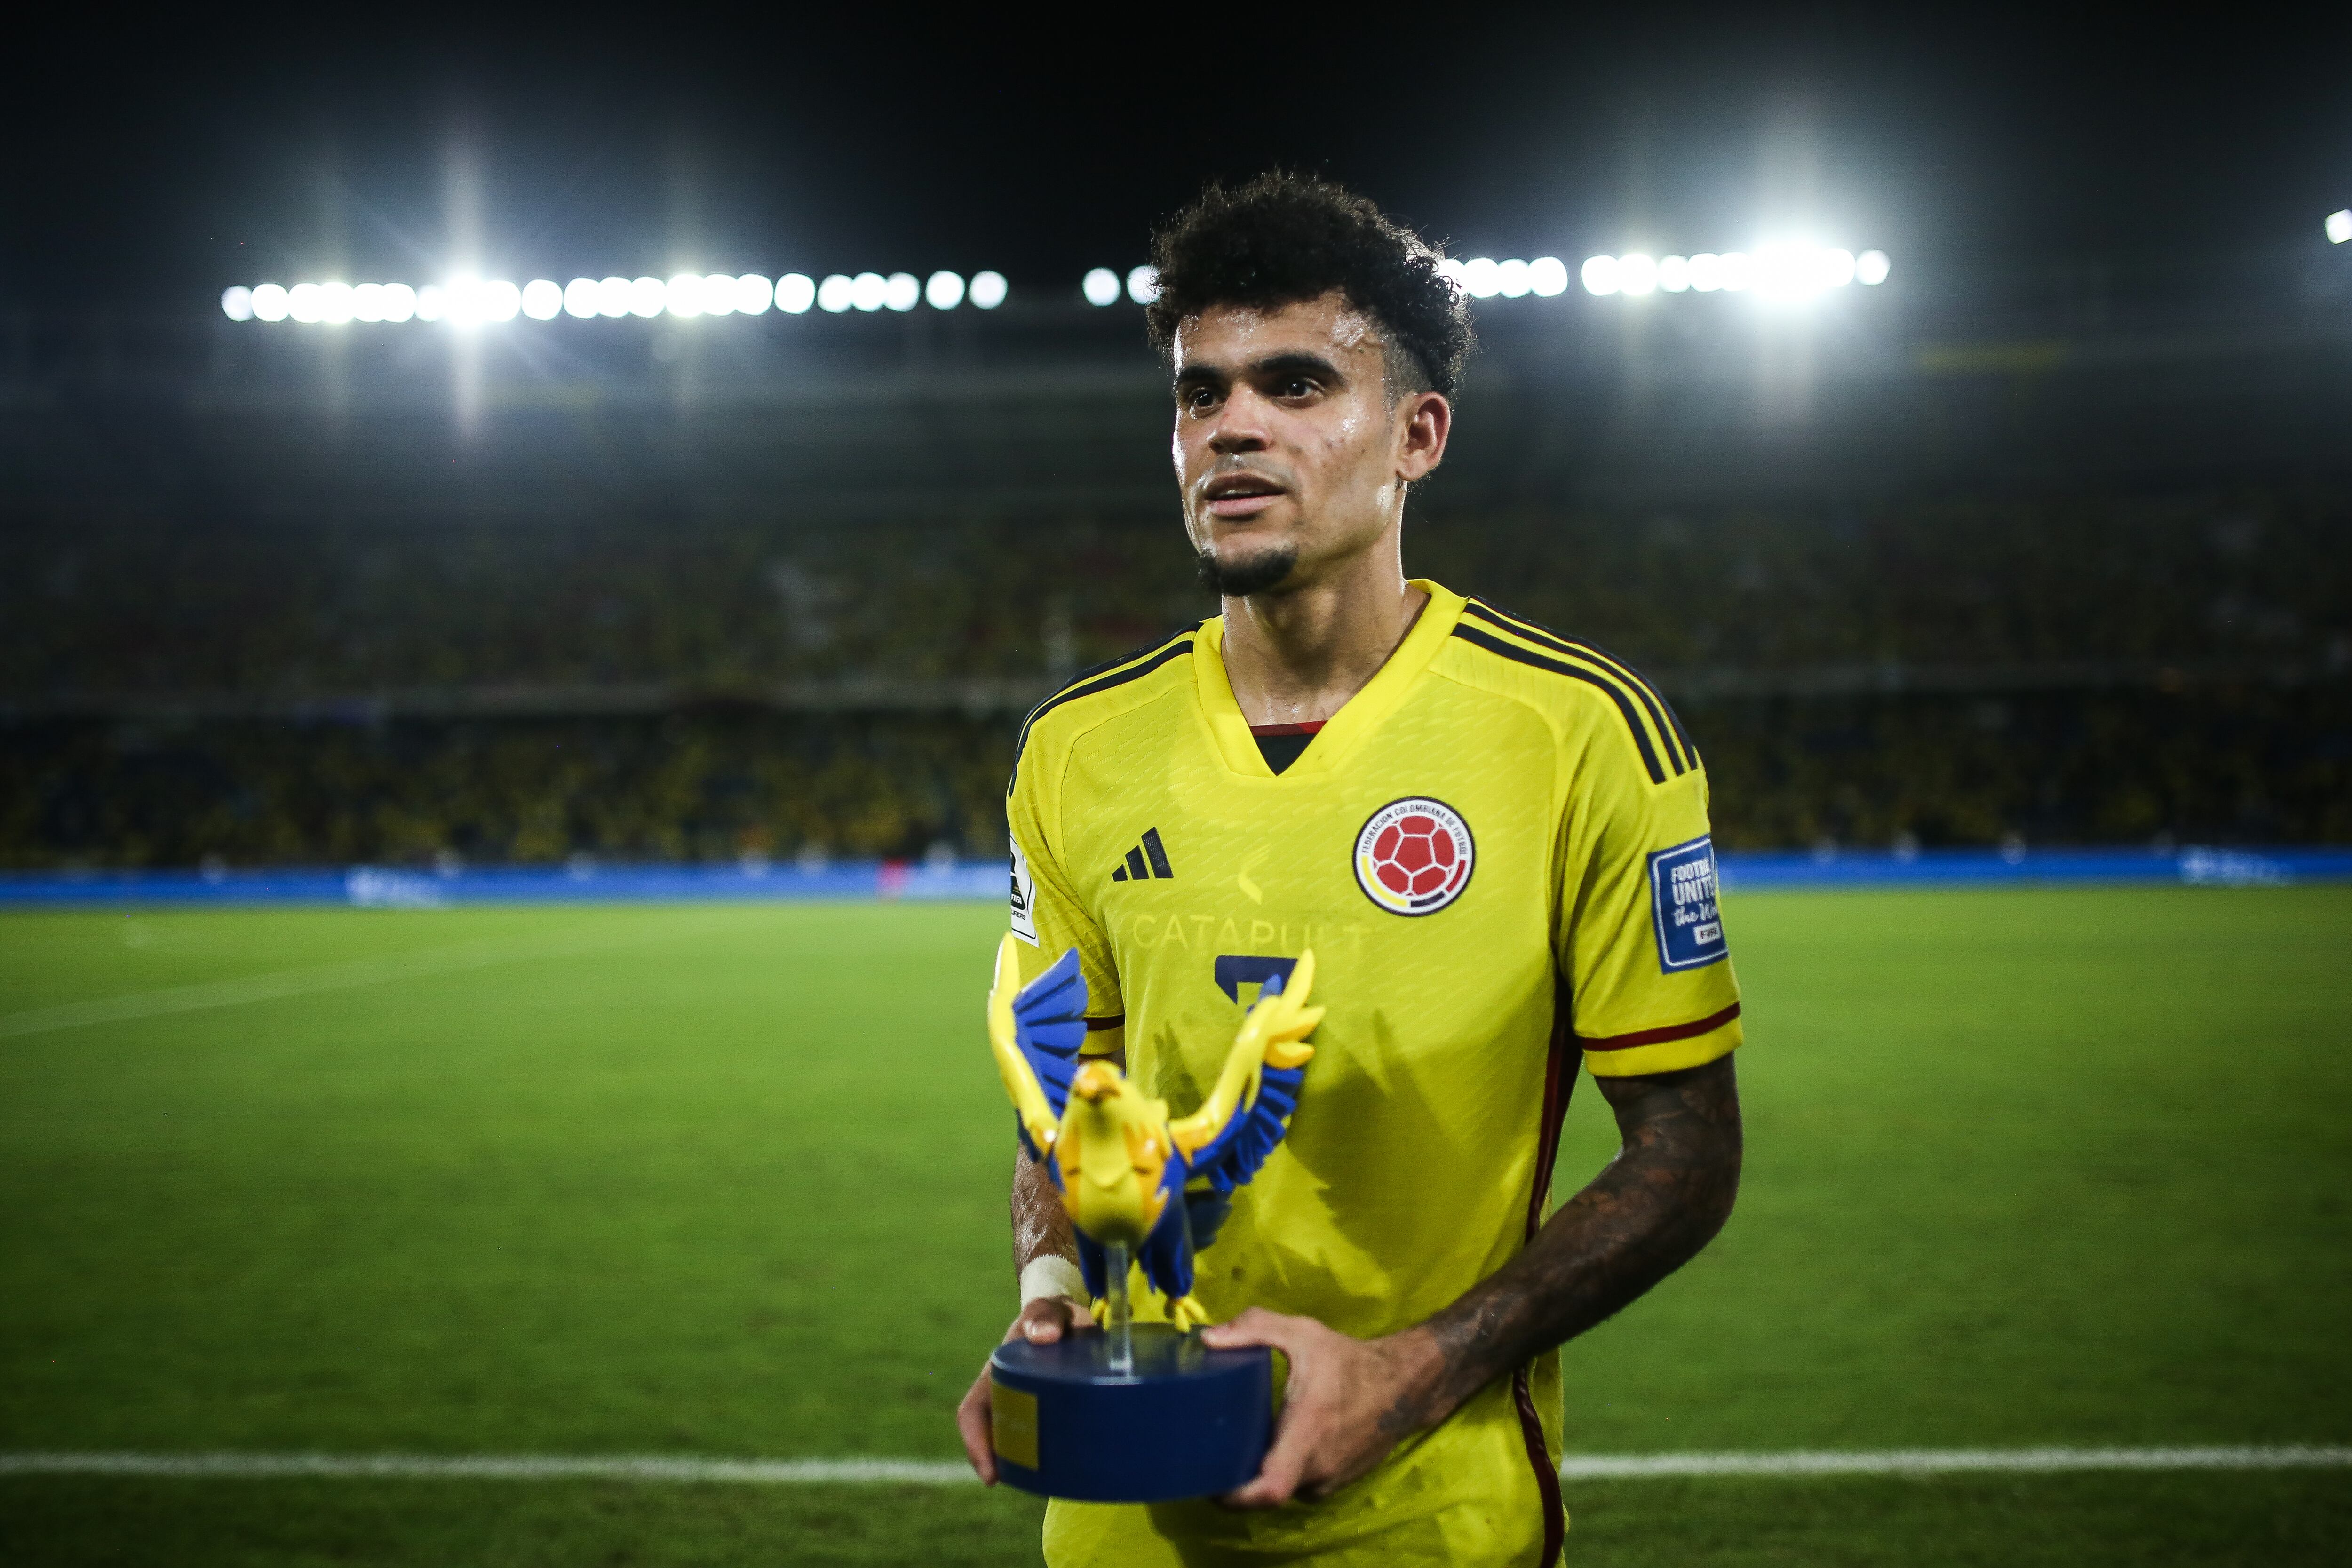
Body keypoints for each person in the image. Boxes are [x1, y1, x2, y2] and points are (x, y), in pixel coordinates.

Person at [955, 172, 1745, 1567]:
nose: (1233, 427)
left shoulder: (1577, 735)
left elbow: (1686, 1155)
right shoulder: (1075, 753)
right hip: (1127, 1519)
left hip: (1434, 1520)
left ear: (1418, 434)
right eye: (1201, 395)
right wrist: (1052, 1283)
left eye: (1298, 383)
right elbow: (1067, 1107)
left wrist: (1417, 1368)